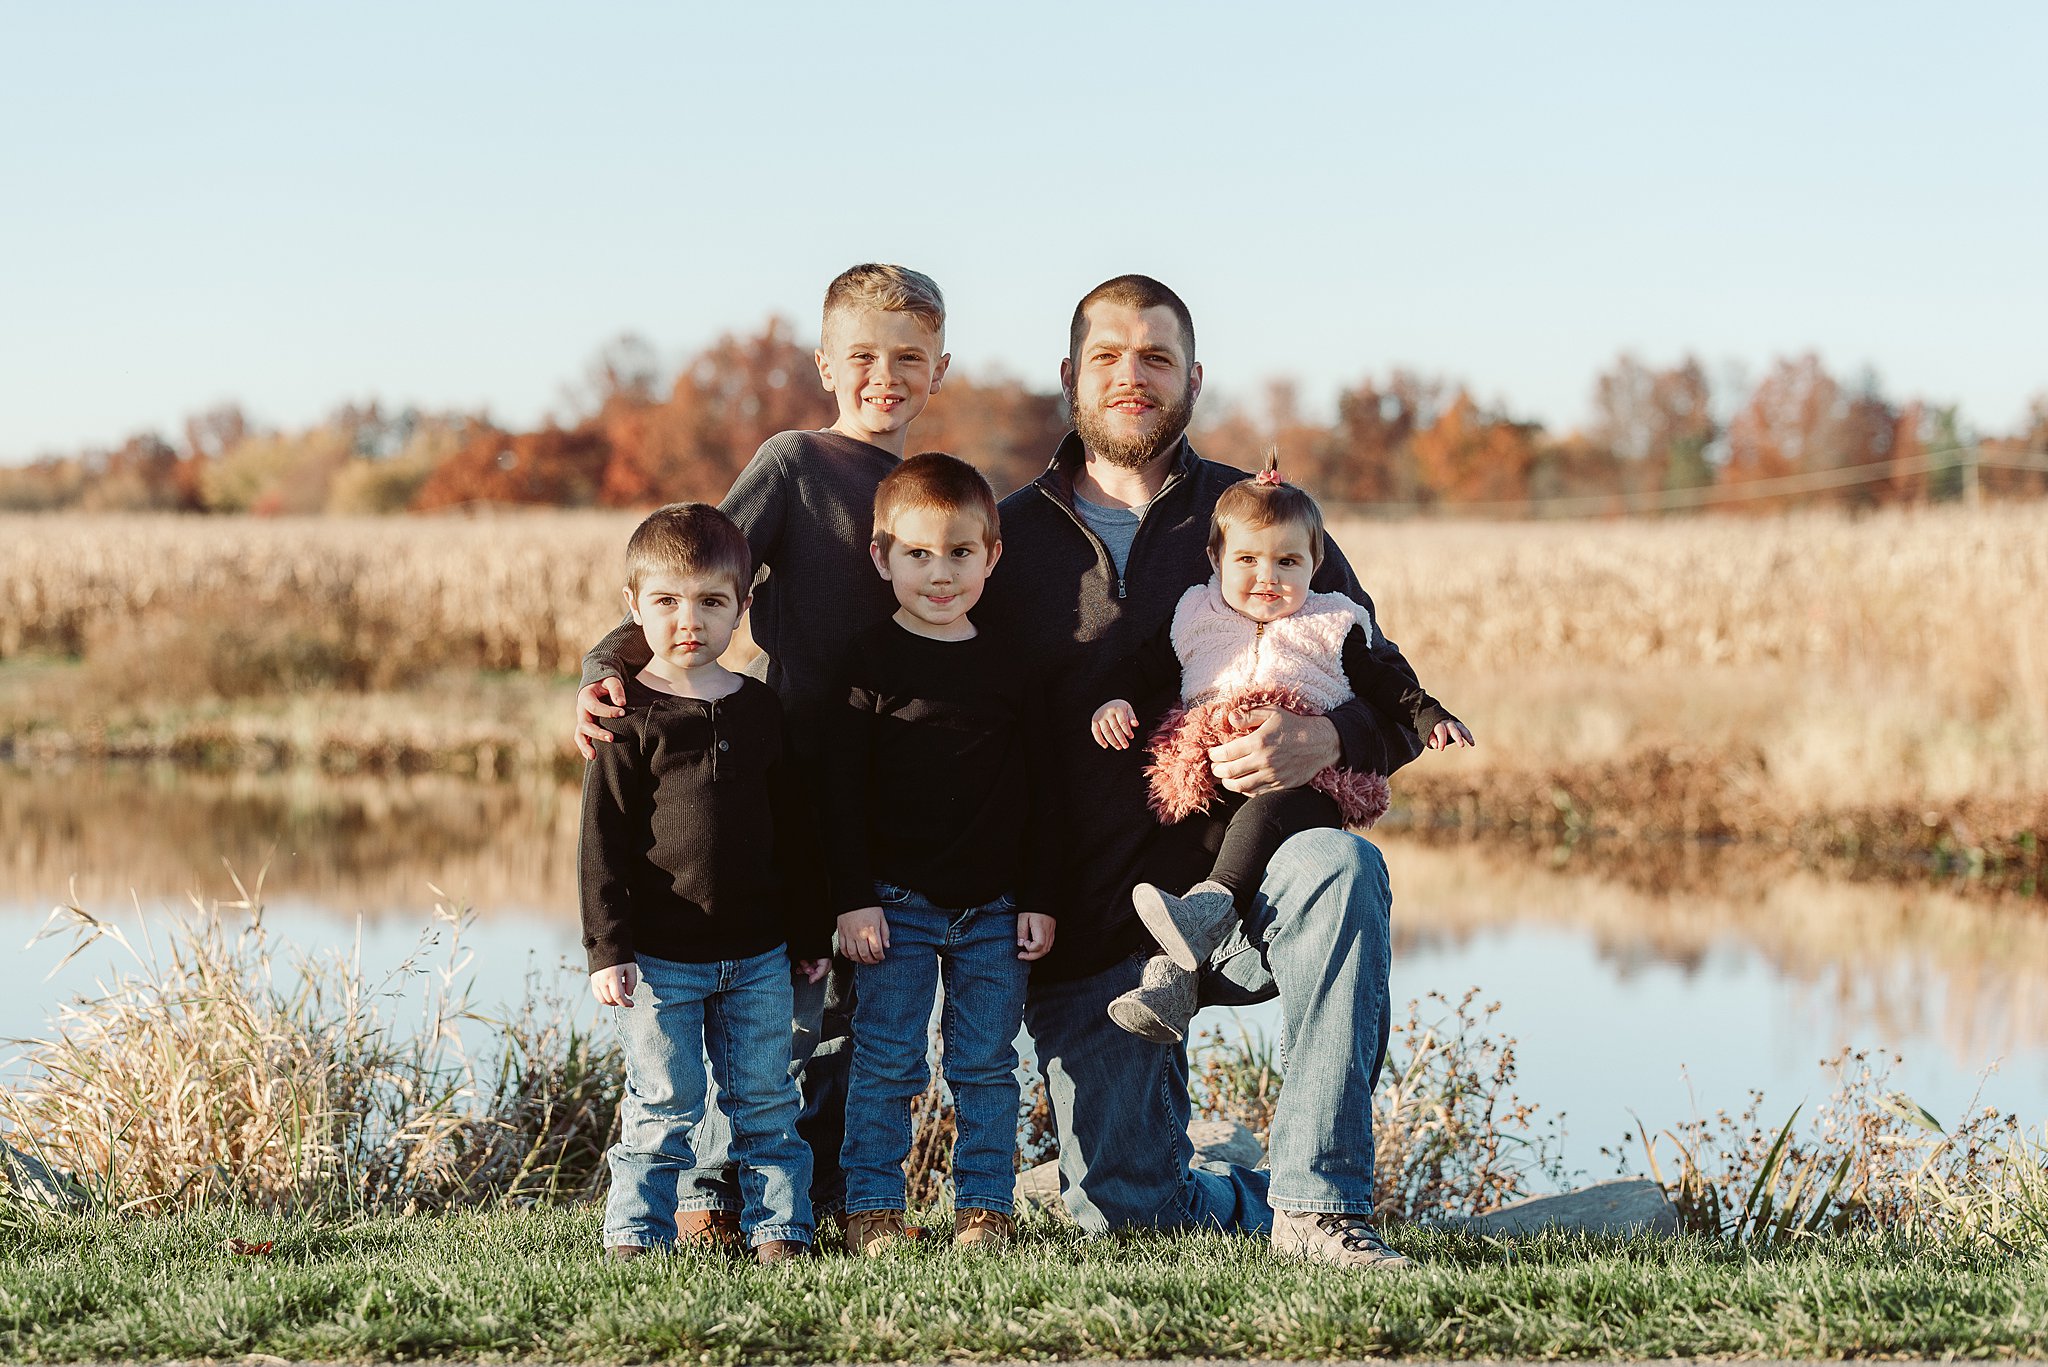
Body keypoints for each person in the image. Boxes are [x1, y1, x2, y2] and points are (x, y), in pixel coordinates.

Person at [974, 274, 1446, 1270]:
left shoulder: (1258, 515)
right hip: (1093, 921)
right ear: (1069, 375)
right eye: (1107, 355)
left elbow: (1381, 680)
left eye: (1155, 356)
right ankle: (1236, 1187)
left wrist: (1336, 736)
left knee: (1339, 869)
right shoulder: (1003, 542)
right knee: (1130, 1216)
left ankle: (1320, 1208)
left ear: (1192, 376)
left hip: (1247, 887)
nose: (1131, 375)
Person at [574, 263, 949, 1234]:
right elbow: (697, 564)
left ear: (937, 370)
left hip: (896, 790)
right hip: (789, 776)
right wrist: (602, 669)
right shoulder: (795, 464)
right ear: (825, 363)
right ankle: (710, 1190)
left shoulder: (926, 495)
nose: (884, 375)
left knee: (863, 1006)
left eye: (907, 358)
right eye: (861, 355)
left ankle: (820, 1191)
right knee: (774, 1001)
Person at [1088, 452, 1474, 1045]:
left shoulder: (1332, 623)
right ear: (1216, 559)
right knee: (1174, 858)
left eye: (1288, 561)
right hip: (1211, 775)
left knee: (1273, 814)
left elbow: (1385, 683)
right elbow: (1142, 668)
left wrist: (1431, 717)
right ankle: (1169, 986)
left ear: (1316, 564)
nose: (1267, 576)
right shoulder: (1195, 615)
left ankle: (1212, 907)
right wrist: (1114, 701)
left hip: (1305, 784)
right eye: (1247, 559)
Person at [578, 503, 831, 1263]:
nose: (689, 620)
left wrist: (809, 933)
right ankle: (637, 1234)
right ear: (634, 607)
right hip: (659, 958)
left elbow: (795, 831)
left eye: (712, 602)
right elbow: (601, 845)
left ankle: (781, 1229)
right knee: (663, 1103)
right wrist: (607, 949)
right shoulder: (628, 719)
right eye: (666, 601)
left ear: (741, 608)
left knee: (767, 1102)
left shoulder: (760, 708)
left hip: (758, 954)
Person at [825, 453, 1056, 1253]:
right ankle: (875, 1209)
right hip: (894, 906)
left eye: (960, 552)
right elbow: (839, 792)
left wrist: (1038, 894)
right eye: (918, 554)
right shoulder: (865, 662)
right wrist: (851, 897)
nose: (940, 572)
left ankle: (986, 1207)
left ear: (992, 556)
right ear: (882, 556)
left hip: (994, 909)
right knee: (887, 1062)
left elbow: (1039, 791)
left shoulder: (1012, 662)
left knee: (987, 1065)